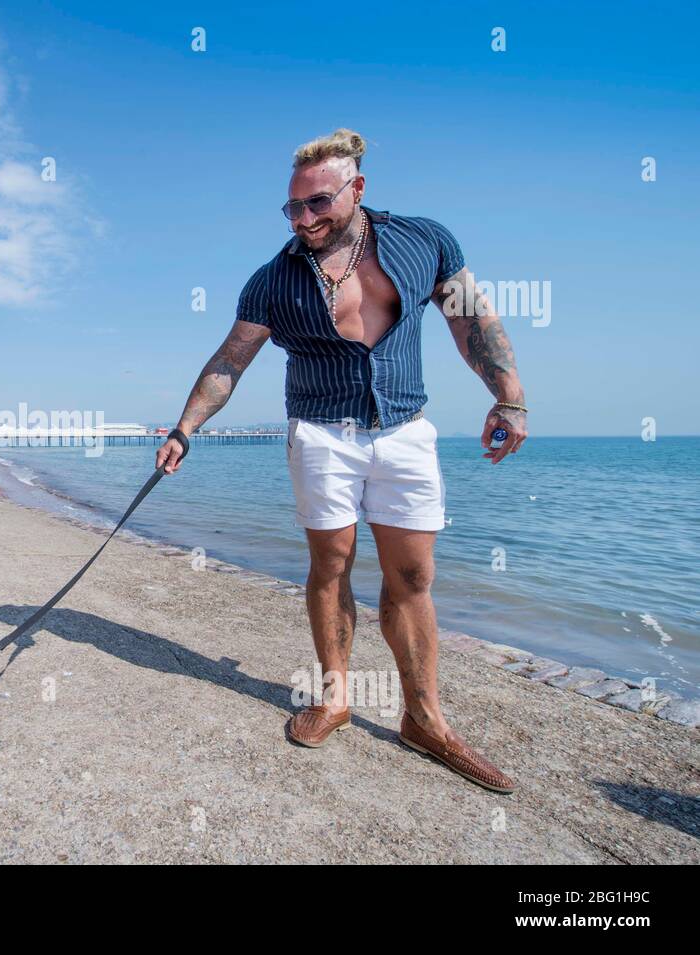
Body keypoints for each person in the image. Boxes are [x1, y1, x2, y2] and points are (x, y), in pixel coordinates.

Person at [155, 129, 528, 794]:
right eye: (292, 208)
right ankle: (334, 697)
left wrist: (510, 397)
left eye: (318, 203)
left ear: (358, 189)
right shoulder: (273, 280)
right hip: (321, 434)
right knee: (330, 565)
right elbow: (228, 361)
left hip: (405, 430)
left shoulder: (423, 242)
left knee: (412, 575)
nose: (304, 219)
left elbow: (472, 319)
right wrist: (186, 427)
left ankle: (424, 717)